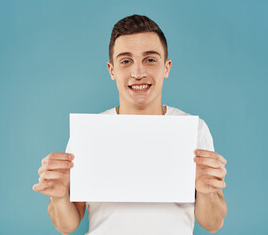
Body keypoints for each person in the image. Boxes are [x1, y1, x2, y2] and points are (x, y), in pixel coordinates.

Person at [32, 14, 227, 235]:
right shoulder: (89, 133)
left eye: (150, 59)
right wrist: (58, 197)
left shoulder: (194, 129)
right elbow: (67, 225)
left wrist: (206, 192)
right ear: (112, 70)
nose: (138, 73)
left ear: (167, 67)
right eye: (126, 61)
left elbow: (213, 223)